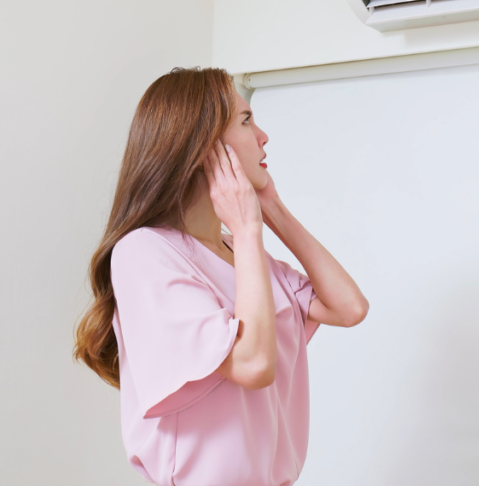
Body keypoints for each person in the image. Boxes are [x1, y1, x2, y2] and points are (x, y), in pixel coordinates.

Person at [73, 67, 369, 486]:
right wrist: (248, 229)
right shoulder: (145, 252)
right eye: (247, 122)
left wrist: (273, 210)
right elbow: (253, 365)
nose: (263, 136)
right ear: (204, 146)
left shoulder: (241, 254)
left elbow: (349, 307)